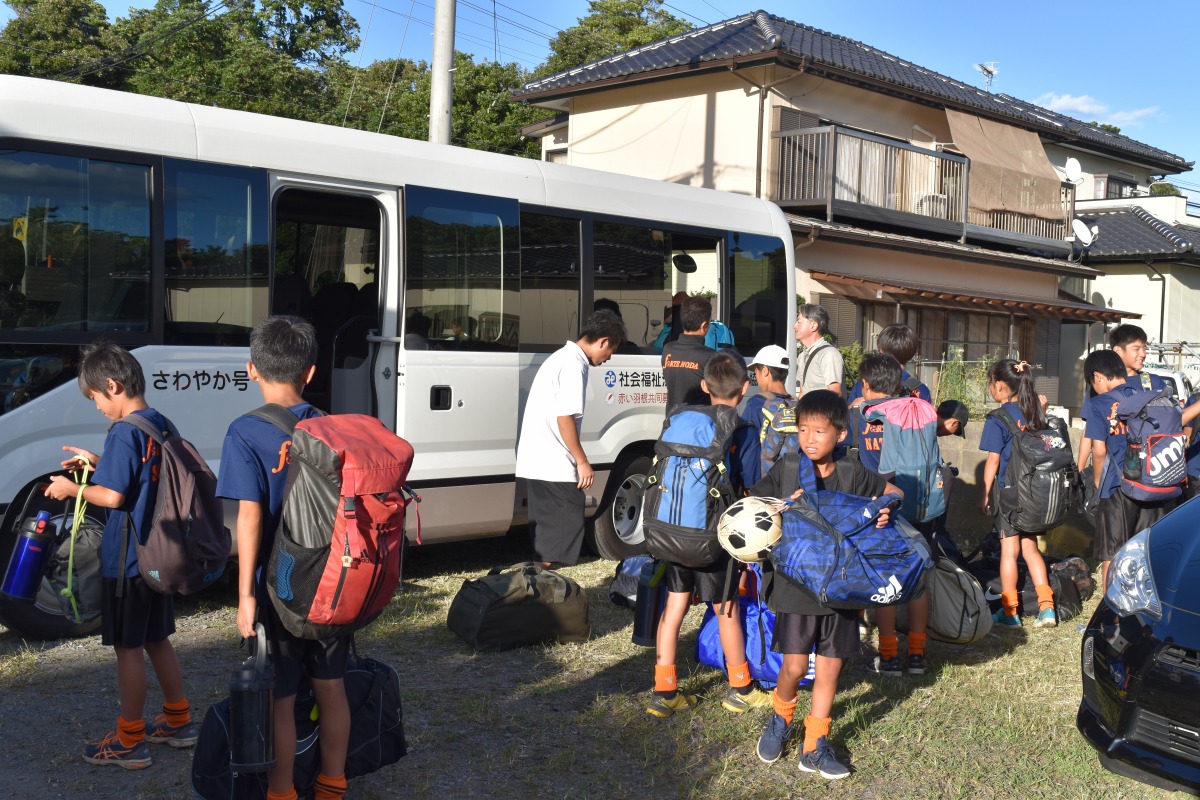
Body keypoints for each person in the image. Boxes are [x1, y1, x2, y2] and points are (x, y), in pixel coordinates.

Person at [216, 316, 350, 800]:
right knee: (331, 686)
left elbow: (249, 518)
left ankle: (281, 792)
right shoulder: (330, 427)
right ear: (310, 373)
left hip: (281, 586)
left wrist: (245, 596)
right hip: (332, 581)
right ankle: (333, 784)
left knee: (282, 697)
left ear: (251, 369)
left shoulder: (244, 432)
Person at [44, 342, 193, 769]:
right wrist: (97, 462)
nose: (97, 407)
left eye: (95, 397)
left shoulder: (125, 430)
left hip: (128, 560)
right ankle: (179, 721)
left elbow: (112, 496)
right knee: (157, 639)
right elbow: (140, 477)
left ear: (112, 385)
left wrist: (72, 489)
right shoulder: (158, 422)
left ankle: (130, 740)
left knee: (128, 649)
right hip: (157, 555)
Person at [751, 389, 900, 779]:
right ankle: (780, 719)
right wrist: (782, 504)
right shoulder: (787, 469)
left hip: (841, 587)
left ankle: (814, 745)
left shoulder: (852, 472)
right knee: (795, 666)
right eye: (803, 430)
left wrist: (884, 509)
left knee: (830, 668)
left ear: (840, 434)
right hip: (797, 586)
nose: (810, 438)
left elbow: (893, 492)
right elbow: (754, 504)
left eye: (819, 431)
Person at [648, 350, 770, 719]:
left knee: (674, 607)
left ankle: (664, 691)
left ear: (704, 385)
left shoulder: (680, 420)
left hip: (672, 531)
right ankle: (741, 689)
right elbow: (751, 486)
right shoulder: (741, 431)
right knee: (725, 609)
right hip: (714, 538)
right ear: (745, 388)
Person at [516, 309, 625, 567]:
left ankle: (536, 584)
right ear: (604, 341)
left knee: (546, 544)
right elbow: (564, 418)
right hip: (553, 462)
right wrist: (582, 461)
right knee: (556, 542)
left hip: (537, 459)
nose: (608, 358)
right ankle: (537, 585)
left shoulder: (560, 357)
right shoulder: (574, 364)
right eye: (611, 351)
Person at [849, 354, 933, 676]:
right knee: (917, 583)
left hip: (879, 508)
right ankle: (918, 654)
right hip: (918, 505)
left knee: (886, 582)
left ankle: (888, 656)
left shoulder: (859, 414)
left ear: (865, 384)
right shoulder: (916, 409)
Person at [1082, 349, 1177, 590]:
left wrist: (1097, 483)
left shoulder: (1098, 403)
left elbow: (1099, 451)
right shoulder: (1145, 397)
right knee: (1144, 552)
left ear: (1097, 376)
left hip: (1117, 486)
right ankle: (1143, 604)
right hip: (1152, 482)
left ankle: (1111, 609)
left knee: (1112, 554)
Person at [978, 359, 1056, 629]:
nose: (990, 387)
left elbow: (993, 461)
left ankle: (1010, 612)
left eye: (990, 383)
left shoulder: (997, 418)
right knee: (1031, 549)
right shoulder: (1036, 411)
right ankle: (1047, 607)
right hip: (1034, 492)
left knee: (1009, 552)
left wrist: (984, 493)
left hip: (1009, 493)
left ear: (1000, 385)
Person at [1077, 325, 1166, 473]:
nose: (1143, 354)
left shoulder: (1153, 383)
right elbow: (1089, 431)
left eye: (1144, 348)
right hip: (1113, 471)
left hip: (1150, 471)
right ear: (1118, 351)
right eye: (1136, 349)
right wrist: (1080, 470)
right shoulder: (1100, 385)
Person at [741, 343, 792, 488]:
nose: (756, 377)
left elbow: (748, 446)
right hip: (794, 480)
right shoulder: (798, 404)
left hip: (765, 483)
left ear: (765, 371)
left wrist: (748, 486)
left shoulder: (757, 403)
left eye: (756, 372)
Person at [847, 324, 930, 407]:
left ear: (881, 351)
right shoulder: (921, 389)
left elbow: (851, 413)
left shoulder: (866, 383)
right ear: (912, 353)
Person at [662, 295, 717, 414]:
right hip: (698, 422)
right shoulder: (711, 356)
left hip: (672, 421)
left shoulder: (668, 349)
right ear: (704, 325)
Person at [794, 304, 843, 397]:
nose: (794, 326)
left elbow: (835, 394)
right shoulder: (802, 356)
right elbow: (802, 393)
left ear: (813, 325)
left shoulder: (828, 354)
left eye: (799, 321)